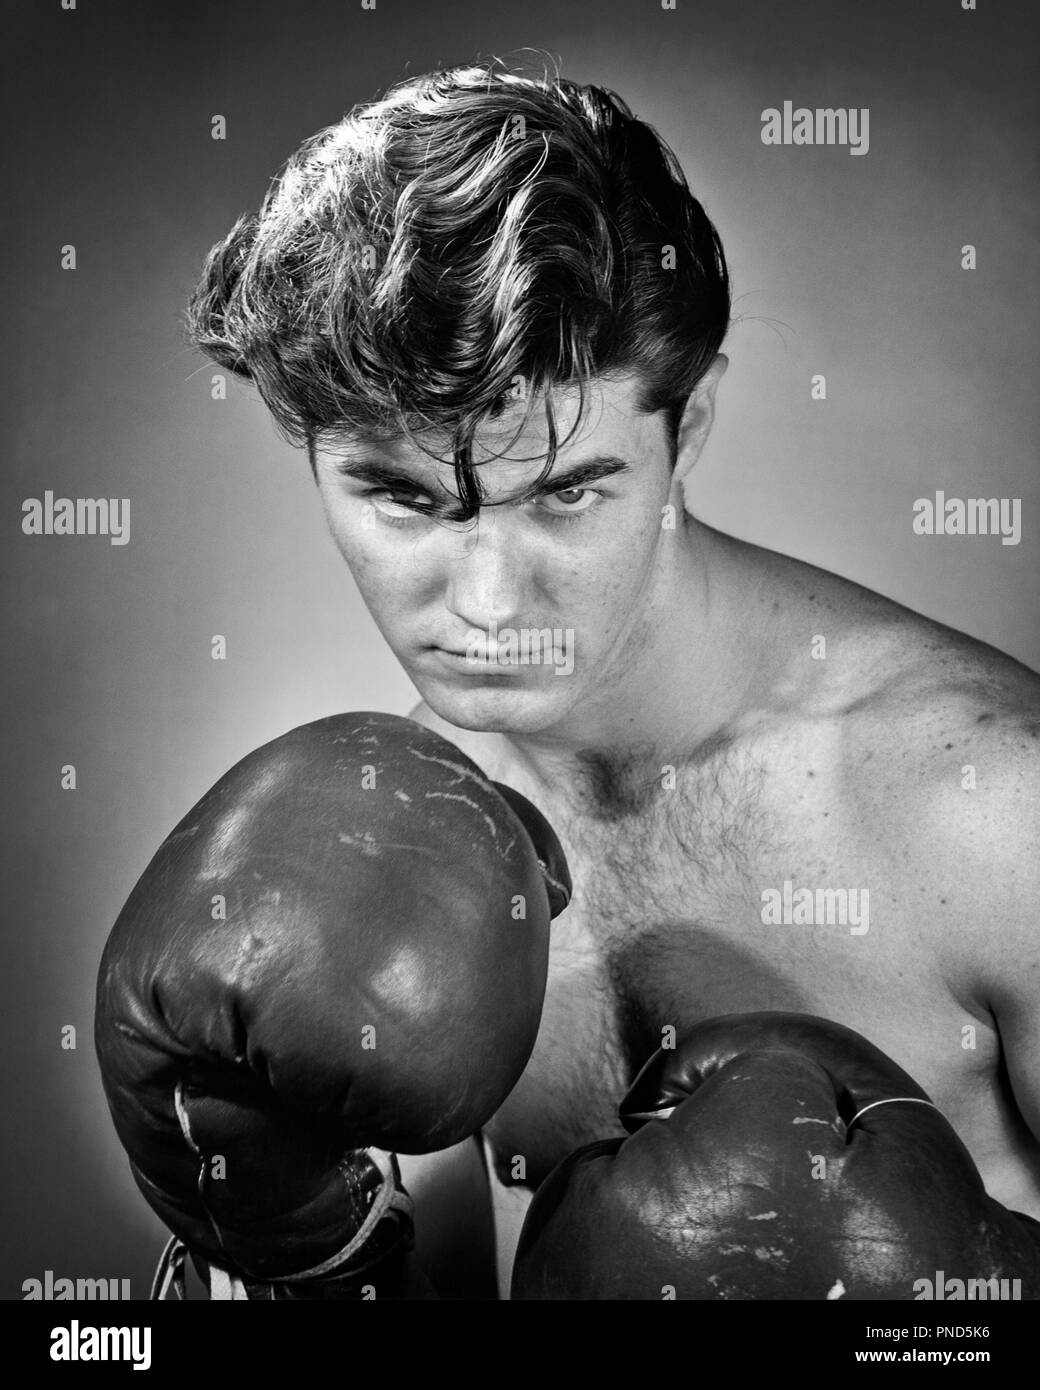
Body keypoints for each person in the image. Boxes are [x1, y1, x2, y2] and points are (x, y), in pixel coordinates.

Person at [175, 59, 1039, 1297]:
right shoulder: (378, 849)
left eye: (567, 492)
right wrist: (301, 1252)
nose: (486, 605)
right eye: (400, 496)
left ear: (685, 430)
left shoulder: (993, 813)